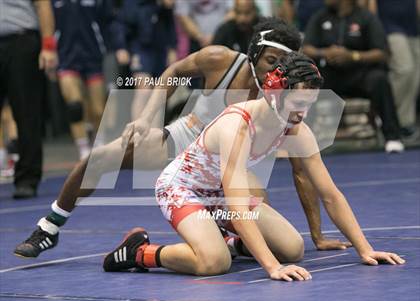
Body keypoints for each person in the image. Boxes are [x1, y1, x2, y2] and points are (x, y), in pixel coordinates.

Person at [14, 18, 350, 258]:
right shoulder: (219, 60)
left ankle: (226, 243)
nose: (275, 72)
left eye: (284, 65)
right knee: (103, 156)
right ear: (254, 53)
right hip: (186, 141)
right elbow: (172, 71)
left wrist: (318, 235)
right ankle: (49, 227)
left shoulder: (284, 96)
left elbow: (302, 171)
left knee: (281, 244)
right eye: (271, 62)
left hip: (231, 165)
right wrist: (147, 117)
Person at [103, 52, 405, 280]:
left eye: (308, 104)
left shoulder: (296, 128)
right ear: (274, 94)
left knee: (292, 248)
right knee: (213, 263)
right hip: (183, 188)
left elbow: (330, 194)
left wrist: (364, 248)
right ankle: (140, 252)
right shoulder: (238, 126)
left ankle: (225, 239)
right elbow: (236, 202)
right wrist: (271, 267)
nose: (302, 114)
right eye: (297, 105)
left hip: (218, 193)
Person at [302, 0, 404, 153]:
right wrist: (324, 53)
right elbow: (306, 47)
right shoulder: (320, 16)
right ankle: (302, 140)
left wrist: (353, 56)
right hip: (330, 75)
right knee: (308, 81)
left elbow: (382, 53)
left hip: (359, 74)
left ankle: (392, 137)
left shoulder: (366, 17)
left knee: (379, 80)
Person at [0, 0, 58, 198]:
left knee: (27, 113)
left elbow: (43, 4)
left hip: (21, 41)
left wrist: (48, 45)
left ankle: (27, 179)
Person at [52, 0, 112, 159]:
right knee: (75, 106)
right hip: (66, 57)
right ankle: (83, 149)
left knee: (98, 110)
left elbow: (108, 20)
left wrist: (113, 46)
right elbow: (49, 24)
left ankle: (98, 145)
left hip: (93, 57)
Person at [367, 0, 420, 140]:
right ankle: (385, 115)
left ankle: (404, 122)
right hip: (389, 25)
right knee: (404, 69)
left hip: (412, 25)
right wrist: (374, 29)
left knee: (415, 74)